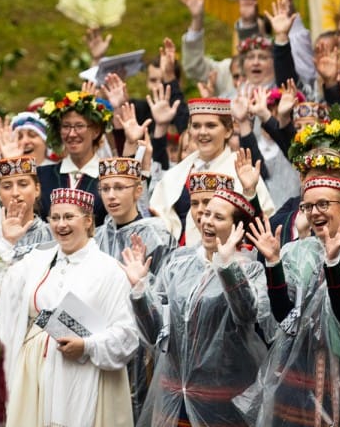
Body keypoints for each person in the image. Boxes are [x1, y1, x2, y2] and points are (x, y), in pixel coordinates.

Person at [123, 186, 274, 427]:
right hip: (174, 397)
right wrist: (140, 289)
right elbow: (154, 334)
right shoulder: (179, 264)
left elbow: (246, 314)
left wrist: (227, 266)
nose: (207, 221)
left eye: (219, 217)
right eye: (206, 214)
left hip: (223, 401)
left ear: (237, 228)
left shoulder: (251, 269)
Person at [245, 176, 340, 427]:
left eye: (323, 204)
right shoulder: (296, 251)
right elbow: (285, 319)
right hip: (296, 375)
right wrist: (273, 263)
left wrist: (333, 263)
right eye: (307, 206)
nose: (314, 212)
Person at [0, 188, 139, 427]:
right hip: (34, 377)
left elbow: (127, 336)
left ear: (88, 220)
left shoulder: (109, 270)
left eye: (69, 217)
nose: (61, 224)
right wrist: (7, 243)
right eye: (55, 217)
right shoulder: (37, 261)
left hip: (84, 377)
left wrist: (87, 345)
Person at [93, 156, 175, 419]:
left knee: (136, 410)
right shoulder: (95, 238)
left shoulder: (157, 236)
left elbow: (165, 295)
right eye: (105, 188)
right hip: (101, 339)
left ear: (138, 190)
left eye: (119, 187)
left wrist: (141, 284)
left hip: (142, 344)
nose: (111, 195)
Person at [148, 98, 273, 245]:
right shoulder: (175, 174)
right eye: (196, 126)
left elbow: (263, 226)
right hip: (178, 255)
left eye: (211, 125)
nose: (202, 132)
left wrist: (249, 192)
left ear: (228, 131)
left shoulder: (244, 172)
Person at [38, 90, 114, 224]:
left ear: (96, 131)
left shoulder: (110, 176)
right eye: (66, 126)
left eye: (79, 126)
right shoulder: (42, 175)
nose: (72, 134)